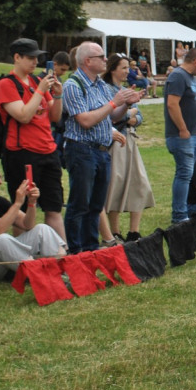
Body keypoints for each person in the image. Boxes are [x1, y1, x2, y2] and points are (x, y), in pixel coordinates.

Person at [62, 43, 139, 253]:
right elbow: (85, 120)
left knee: (96, 206)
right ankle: (76, 252)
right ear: (88, 61)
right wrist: (114, 103)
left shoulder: (99, 85)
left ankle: (91, 248)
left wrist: (127, 104)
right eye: (101, 57)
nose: (106, 60)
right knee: (79, 204)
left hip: (102, 151)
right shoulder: (73, 85)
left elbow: (111, 116)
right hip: (82, 150)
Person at [0, 38, 65, 242]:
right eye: (31, 58)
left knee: (54, 207)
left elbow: (55, 116)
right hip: (23, 153)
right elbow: (24, 115)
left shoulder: (35, 81)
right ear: (17, 57)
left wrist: (58, 97)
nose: (35, 62)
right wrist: (41, 91)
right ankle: (24, 260)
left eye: (37, 58)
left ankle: (62, 257)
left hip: (48, 151)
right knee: (24, 209)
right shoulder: (6, 85)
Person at [0, 161, 67, 285]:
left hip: (0, 265)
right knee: (3, 240)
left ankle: (60, 270)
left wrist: (31, 203)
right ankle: (42, 276)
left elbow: (27, 225)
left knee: (42, 229)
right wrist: (18, 203)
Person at [103, 54, 154, 243]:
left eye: (128, 68)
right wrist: (128, 113)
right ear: (112, 69)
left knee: (139, 183)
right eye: (123, 68)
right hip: (115, 142)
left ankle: (134, 231)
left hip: (130, 140)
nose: (127, 71)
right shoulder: (106, 90)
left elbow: (138, 118)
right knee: (116, 184)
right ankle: (115, 232)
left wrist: (131, 114)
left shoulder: (124, 89)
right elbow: (112, 118)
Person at [164, 47, 196, 223]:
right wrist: (183, 128)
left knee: (188, 174)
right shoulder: (177, 76)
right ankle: (179, 215)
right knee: (184, 173)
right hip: (181, 136)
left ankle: (187, 208)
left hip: (195, 134)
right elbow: (172, 104)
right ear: (195, 61)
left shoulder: (192, 78)